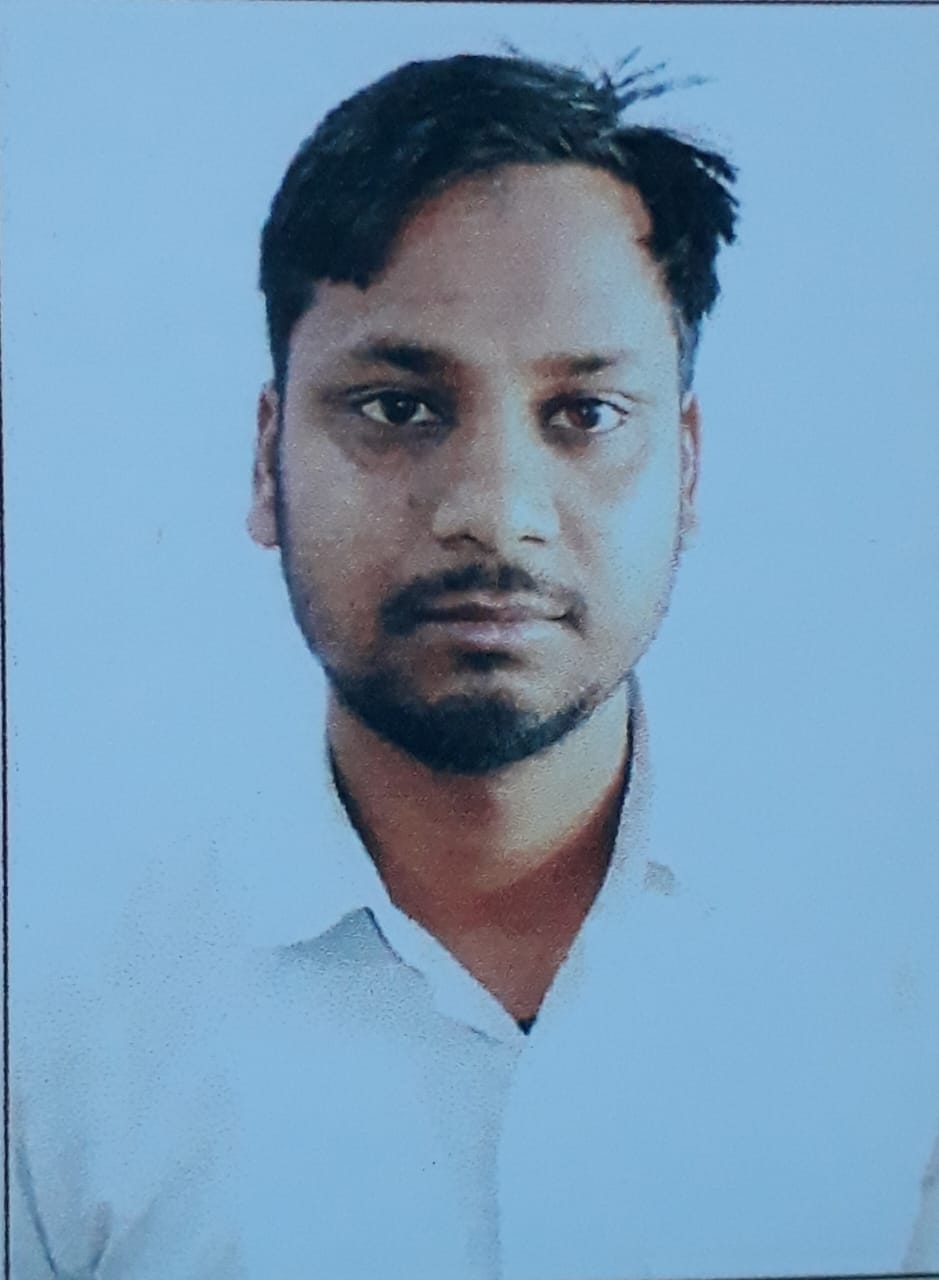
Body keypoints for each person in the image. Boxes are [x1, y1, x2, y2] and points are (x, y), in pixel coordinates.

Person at [10, 49, 931, 1280]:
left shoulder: (896, 988)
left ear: (688, 468)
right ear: (266, 458)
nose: (496, 513)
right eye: (399, 406)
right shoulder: (58, 1040)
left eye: (584, 414)